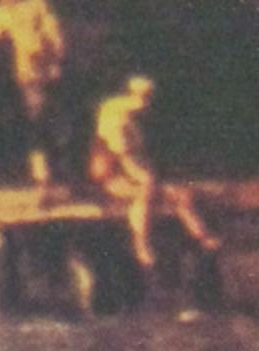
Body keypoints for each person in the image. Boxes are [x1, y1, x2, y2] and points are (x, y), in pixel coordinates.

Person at [89, 77, 220, 270]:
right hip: (116, 180)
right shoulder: (115, 119)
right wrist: (147, 178)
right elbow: (129, 163)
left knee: (180, 194)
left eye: (147, 96)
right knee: (147, 191)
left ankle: (201, 236)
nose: (144, 102)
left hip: (134, 175)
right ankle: (141, 242)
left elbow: (140, 162)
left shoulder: (132, 122)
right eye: (142, 96)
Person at [0, 0, 68, 190]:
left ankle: (57, 175)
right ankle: (43, 177)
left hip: (49, 72)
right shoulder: (4, 12)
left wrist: (55, 61)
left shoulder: (37, 5)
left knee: (51, 123)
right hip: (28, 75)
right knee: (36, 122)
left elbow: (54, 34)